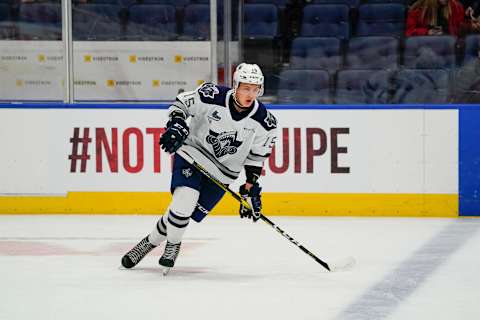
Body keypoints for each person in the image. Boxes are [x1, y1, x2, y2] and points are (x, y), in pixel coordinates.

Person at [121, 63, 278, 274]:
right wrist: (176, 123)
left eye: (255, 89)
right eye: (245, 88)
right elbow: (181, 104)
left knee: (181, 214)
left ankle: (148, 242)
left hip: (223, 174)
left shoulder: (265, 122)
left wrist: (250, 186)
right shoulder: (211, 94)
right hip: (192, 154)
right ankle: (173, 245)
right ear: (235, 86)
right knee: (184, 201)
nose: (250, 93)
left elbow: (256, 157)